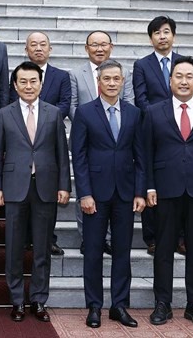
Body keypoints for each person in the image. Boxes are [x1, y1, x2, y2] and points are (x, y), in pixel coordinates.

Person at [0, 61, 70, 323]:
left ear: (41, 83)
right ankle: (16, 301)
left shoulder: (54, 113)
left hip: (46, 187)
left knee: (42, 249)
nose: (28, 86)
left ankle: (38, 299)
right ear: (15, 85)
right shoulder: (4, 114)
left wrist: (64, 185)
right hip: (15, 188)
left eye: (33, 81)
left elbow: (62, 153)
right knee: (13, 248)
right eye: (23, 82)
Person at [70, 60, 146, 329]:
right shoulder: (85, 113)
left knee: (122, 252)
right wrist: (84, 194)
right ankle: (94, 306)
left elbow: (141, 155)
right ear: (99, 82)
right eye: (107, 79)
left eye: (117, 78)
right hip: (95, 194)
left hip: (125, 193)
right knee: (92, 252)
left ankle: (119, 306)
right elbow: (78, 156)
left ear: (123, 81)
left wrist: (140, 191)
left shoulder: (135, 113)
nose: (112, 83)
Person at [144, 56, 193, 328]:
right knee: (163, 248)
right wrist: (148, 185)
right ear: (170, 80)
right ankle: (163, 303)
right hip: (165, 190)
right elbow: (145, 152)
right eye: (179, 76)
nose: (183, 81)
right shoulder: (152, 111)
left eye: (189, 77)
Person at [69, 30, 134, 255]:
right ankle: (88, 238)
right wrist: (89, 123)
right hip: (88, 133)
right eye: (94, 44)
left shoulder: (123, 73)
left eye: (103, 44)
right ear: (86, 48)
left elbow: (129, 101)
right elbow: (73, 104)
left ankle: (104, 239)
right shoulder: (76, 74)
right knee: (86, 189)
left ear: (111, 46)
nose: (99, 48)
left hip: (119, 137)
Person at [9, 31, 71, 256]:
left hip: (49, 134)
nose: (38, 48)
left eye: (42, 44)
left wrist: (48, 116)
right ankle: (25, 238)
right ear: (26, 49)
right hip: (22, 136)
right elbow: (10, 103)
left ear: (50, 49)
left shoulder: (61, 75)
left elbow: (65, 102)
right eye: (33, 45)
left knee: (46, 195)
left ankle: (48, 239)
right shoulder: (18, 76)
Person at [132, 16, 184, 256]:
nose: (162, 36)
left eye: (166, 32)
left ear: (173, 35)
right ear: (151, 37)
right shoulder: (142, 65)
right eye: (157, 32)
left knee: (181, 181)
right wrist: (162, 116)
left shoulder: (184, 64)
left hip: (183, 133)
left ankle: (181, 237)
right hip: (152, 129)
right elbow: (141, 98)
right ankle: (152, 238)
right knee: (149, 178)